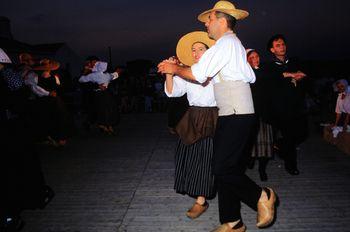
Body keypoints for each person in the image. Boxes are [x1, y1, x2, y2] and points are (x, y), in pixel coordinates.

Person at [158, 1, 277, 231]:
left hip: (236, 112)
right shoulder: (229, 45)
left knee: (223, 168)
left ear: (222, 21)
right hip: (230, 112)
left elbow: (200, 74)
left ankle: (262, 195)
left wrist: (174, 69)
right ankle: (232, 222)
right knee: (221, 168)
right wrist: (177, 70)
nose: (206, 24)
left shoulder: (227, 43)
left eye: (209, 19)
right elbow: (247, 76)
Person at [164, 31, 217, 219]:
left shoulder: (216, 69)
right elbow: (172, 93)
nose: (196, 53)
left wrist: (178, 69)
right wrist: (170, 73)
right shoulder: (188, 71)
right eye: (193, 50)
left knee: (205, 159)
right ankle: (199, 196)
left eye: (200, 49)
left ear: (209, 51)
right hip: (193, 116)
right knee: (190, 157)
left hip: (213, 116)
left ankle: (201, 201)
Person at [264, 34, 308, 175]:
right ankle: (291, 166)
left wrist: (299, 77)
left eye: (283, 44)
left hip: (297, 106)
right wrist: (290, 75)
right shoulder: (269, 65)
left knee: (302, 134)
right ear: (272, 50)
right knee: (289, 136)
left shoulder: (293, 61)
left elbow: (303, 74)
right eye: (278, 45)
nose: (281, 47)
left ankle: (279, 146)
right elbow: (276, 77)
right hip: (280, 108)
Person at [246, 49, 274, 182]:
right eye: (251, 57)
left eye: (257, 56)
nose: (255, 59)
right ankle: (250, 160)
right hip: (250, 114)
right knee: (249, 142)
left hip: (264, 114)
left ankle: (262, 169)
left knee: (265, 144)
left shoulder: (265, 71)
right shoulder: (244, 74)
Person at [79, 61, 119, 134]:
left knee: (101, 110)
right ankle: (107, 126)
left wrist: (86, 71)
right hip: (105, 94)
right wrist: (117, 72)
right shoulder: (106, 75)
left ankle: (104, 125)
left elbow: (81, 80)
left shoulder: (93, 75)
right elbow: (114, 76)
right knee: (108, 109)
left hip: (98, 94)